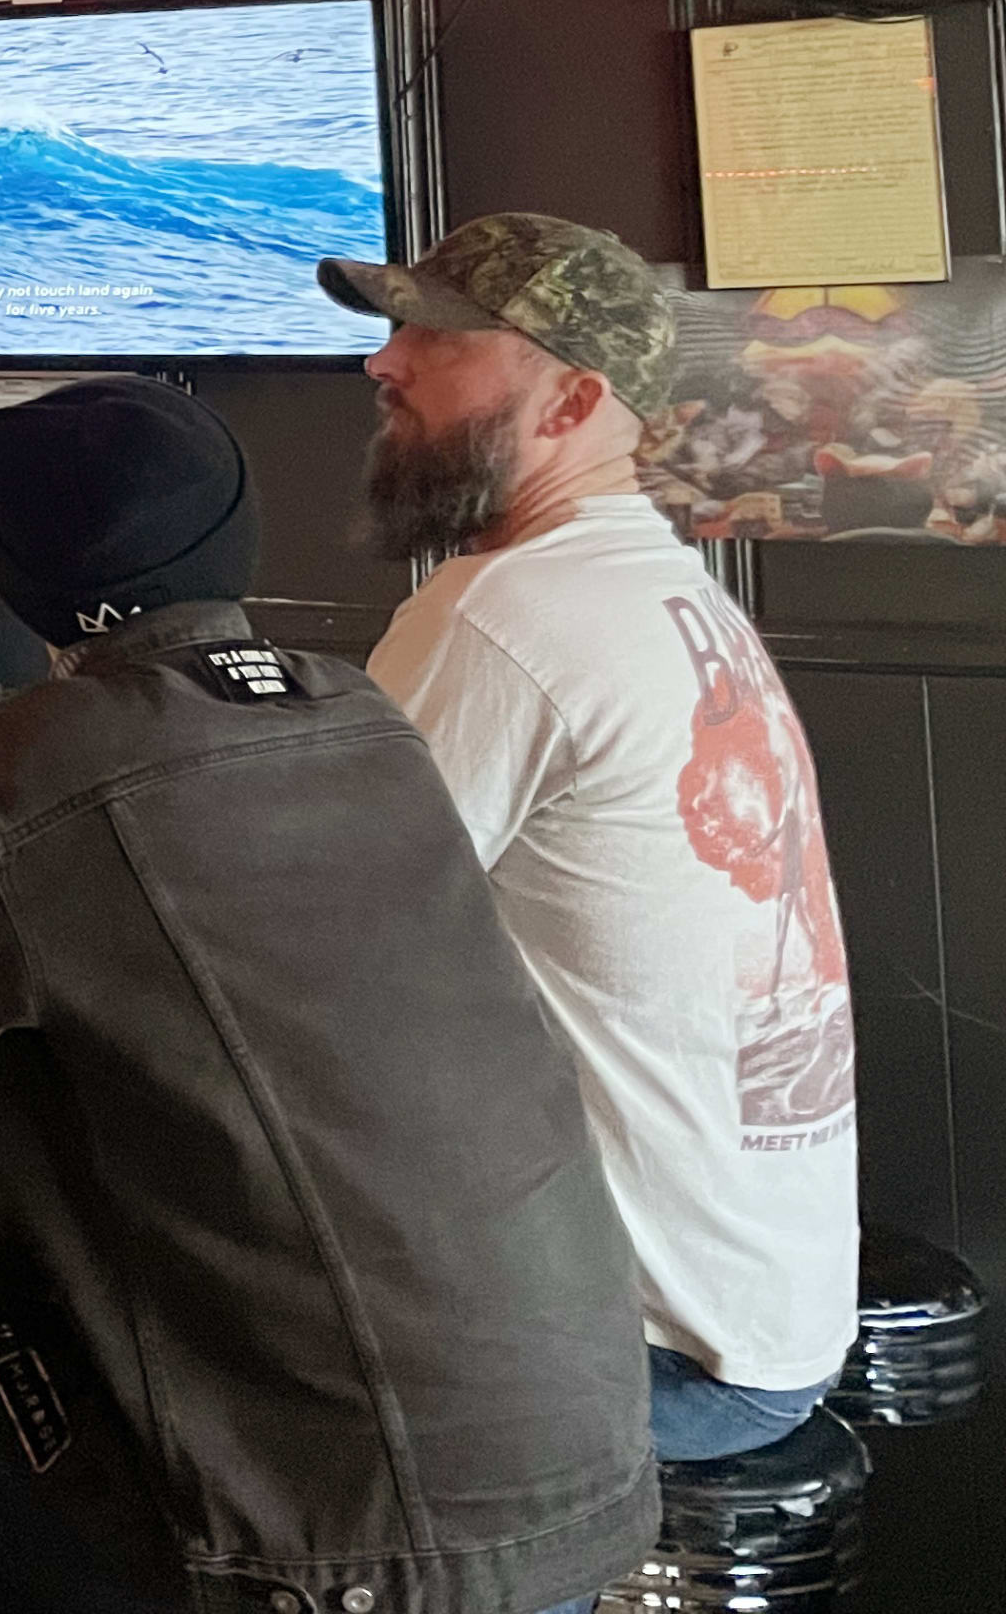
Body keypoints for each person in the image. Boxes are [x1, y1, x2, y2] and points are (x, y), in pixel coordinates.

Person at [0, 377, 651, 1614]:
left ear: (22, 578)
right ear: (239, 538)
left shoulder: (49, 763)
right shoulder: (360, 716)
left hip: (358, 1556)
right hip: (581, 1485)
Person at [322, 214, 858, 1459]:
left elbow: (311, 958)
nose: (382, 362)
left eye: (433, 334)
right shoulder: (667, 594)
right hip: (764, 1310)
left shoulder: (507, 612)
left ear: (569, 401)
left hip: (638, 1349)